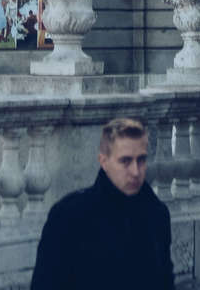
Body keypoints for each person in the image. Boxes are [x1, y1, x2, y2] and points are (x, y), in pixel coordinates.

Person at [30, 114, 173, 290]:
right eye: (125, 161)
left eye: (141, 160)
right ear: (103, 161)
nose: (136, 171)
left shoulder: (157, 215)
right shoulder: (68, 217)